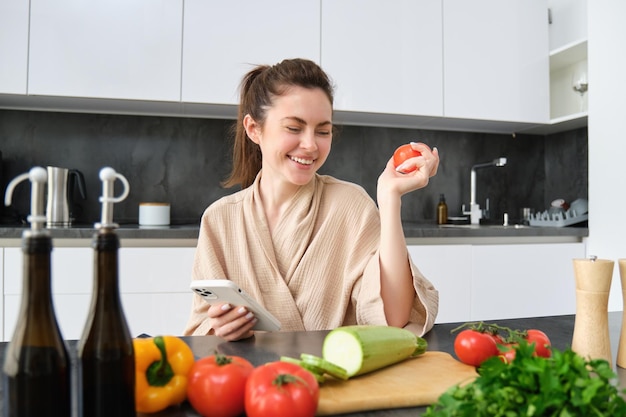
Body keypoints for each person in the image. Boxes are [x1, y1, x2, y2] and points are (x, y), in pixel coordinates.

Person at [184, 58, 440, 341]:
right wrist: (221, 328)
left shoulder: (350, 204)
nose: (310, 145)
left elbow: (394, 319)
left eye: (322, 131)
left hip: (337, 377)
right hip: (255, 380)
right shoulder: (219, 219)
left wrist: (389, 198)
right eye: (294, 128)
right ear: (254, 129)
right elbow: (201, 332)